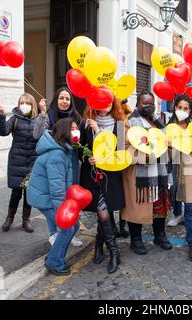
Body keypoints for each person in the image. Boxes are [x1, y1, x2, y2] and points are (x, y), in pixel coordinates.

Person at [27, 117, 81, 276]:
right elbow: (56, 187)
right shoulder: (57, 154)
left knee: (74, 226)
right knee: (68, 228)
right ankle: (53, 262)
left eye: (77, 128)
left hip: (48, 196)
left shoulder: (63, 149)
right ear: (64, 131)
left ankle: (57, 257)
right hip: (45, 198)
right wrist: (63, 212)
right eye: (72, 128)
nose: (76, 131)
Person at [121, 91, 172, 255]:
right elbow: (123, 148)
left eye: (151, 103)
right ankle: (135, 240)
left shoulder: (159, 122)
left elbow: (165, 145)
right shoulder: (128, 123)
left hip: (159, 171)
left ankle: (160, 235)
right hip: (139, 174)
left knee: (159, 206)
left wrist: (168, 145)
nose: (149, 106)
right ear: (137, 104)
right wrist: (148, 154)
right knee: (137, 207)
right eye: (145, 103)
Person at [79, 98, 127, 273]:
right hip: (93, 176)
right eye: (101, 100)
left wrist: (98, 131)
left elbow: (120, 153)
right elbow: (80, 150)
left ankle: (106, 249)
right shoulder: (86, 124)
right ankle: (110, 250)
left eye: (109, 100)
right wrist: (87, 157)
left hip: (111, 177)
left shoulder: (119, 125)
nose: (105, 103)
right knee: (103, 212)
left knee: (104, 212)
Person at [32, 87, 83, 247]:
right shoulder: (49, 115)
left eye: (68, 99)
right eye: (62, 98)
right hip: (55, 160)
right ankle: (54, 233)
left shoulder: (76, 117)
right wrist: (41, 115)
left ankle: (70, 232)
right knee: (53, 197)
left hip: (72, 160)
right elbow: (37, 135)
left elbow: (80, 141)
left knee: (71, 195)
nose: (65, 101)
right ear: (56, 100)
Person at [167, 95, 192, 261]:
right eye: (179, 107)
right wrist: (167, 145)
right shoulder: (169, 129)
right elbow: (169, 156)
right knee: (189, 207)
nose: (182, 111)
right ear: (175, 108)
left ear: (191, 111)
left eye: (185, 108)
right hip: (180, 171)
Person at [0, 93, 39, 233]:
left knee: (28, 193)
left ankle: (26, 220)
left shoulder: (38, 120)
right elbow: (3, 132)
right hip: (17, 160)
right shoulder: (15, 118)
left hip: (32, 160)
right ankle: (9, 218)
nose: (24, 105)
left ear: (32, 105)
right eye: (22, 103)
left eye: (27, 103)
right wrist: (2, 115)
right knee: (16, 192)